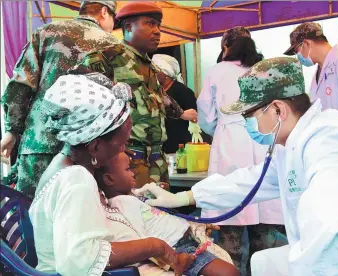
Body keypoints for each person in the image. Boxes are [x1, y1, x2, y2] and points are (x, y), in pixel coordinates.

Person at [134, 57, 338, 276]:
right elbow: (253, 181)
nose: (247, 124)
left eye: (249, 116)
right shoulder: (296, 143)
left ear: (278, 110)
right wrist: (183, 197)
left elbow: (331, 237)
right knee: (263, 263)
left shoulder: (330, 145)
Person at [29, 73, 200, 276]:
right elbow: (79, 261)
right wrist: (156, 246)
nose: (126, 150)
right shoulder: (77, 180)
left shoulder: (64, 163)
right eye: (121, 143)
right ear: (95, 147)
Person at [0, 1, 121, 199]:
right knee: (78, 217)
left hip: (38, 143)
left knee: (30, 214)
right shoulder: (112, 44)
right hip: (86, 151)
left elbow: (20, 86)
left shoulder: (45, 32)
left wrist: (12, 130)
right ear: (104, 11)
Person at [70, 2, 197, 189]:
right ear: (128, 26)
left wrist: (181, 113)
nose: (157, 31)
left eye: (158, 26)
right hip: (127, 163)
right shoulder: (107, 57)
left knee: (157, 214)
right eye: (150, 24)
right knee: (129, 214)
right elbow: (81, 99)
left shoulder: (151, 67)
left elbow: (161, 99)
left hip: (156, 161)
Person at [197, 27, 286, 275]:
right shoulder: (265, 69)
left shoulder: (217, 71)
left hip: (229, 144)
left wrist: (219, 129)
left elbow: (205, 114)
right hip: (265, 139)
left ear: (225, 47)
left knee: (229, 229)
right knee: (266, 239)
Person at [94, 151, 239, 276]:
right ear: (109, 179)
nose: (133, 173)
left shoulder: (133, 196)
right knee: (229, 272)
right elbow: (139, 237)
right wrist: (172, 260)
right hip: (178, 247)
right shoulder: (122, 203)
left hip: (187, 238)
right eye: (127, 170)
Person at [152, 54, 199, 154]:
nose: (153, 73)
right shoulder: (156, 90)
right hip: (163, 143)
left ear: (165, 73)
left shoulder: (183, 91)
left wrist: (182, 114)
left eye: (156, 70)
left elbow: (195, 116)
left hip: (179, 144)